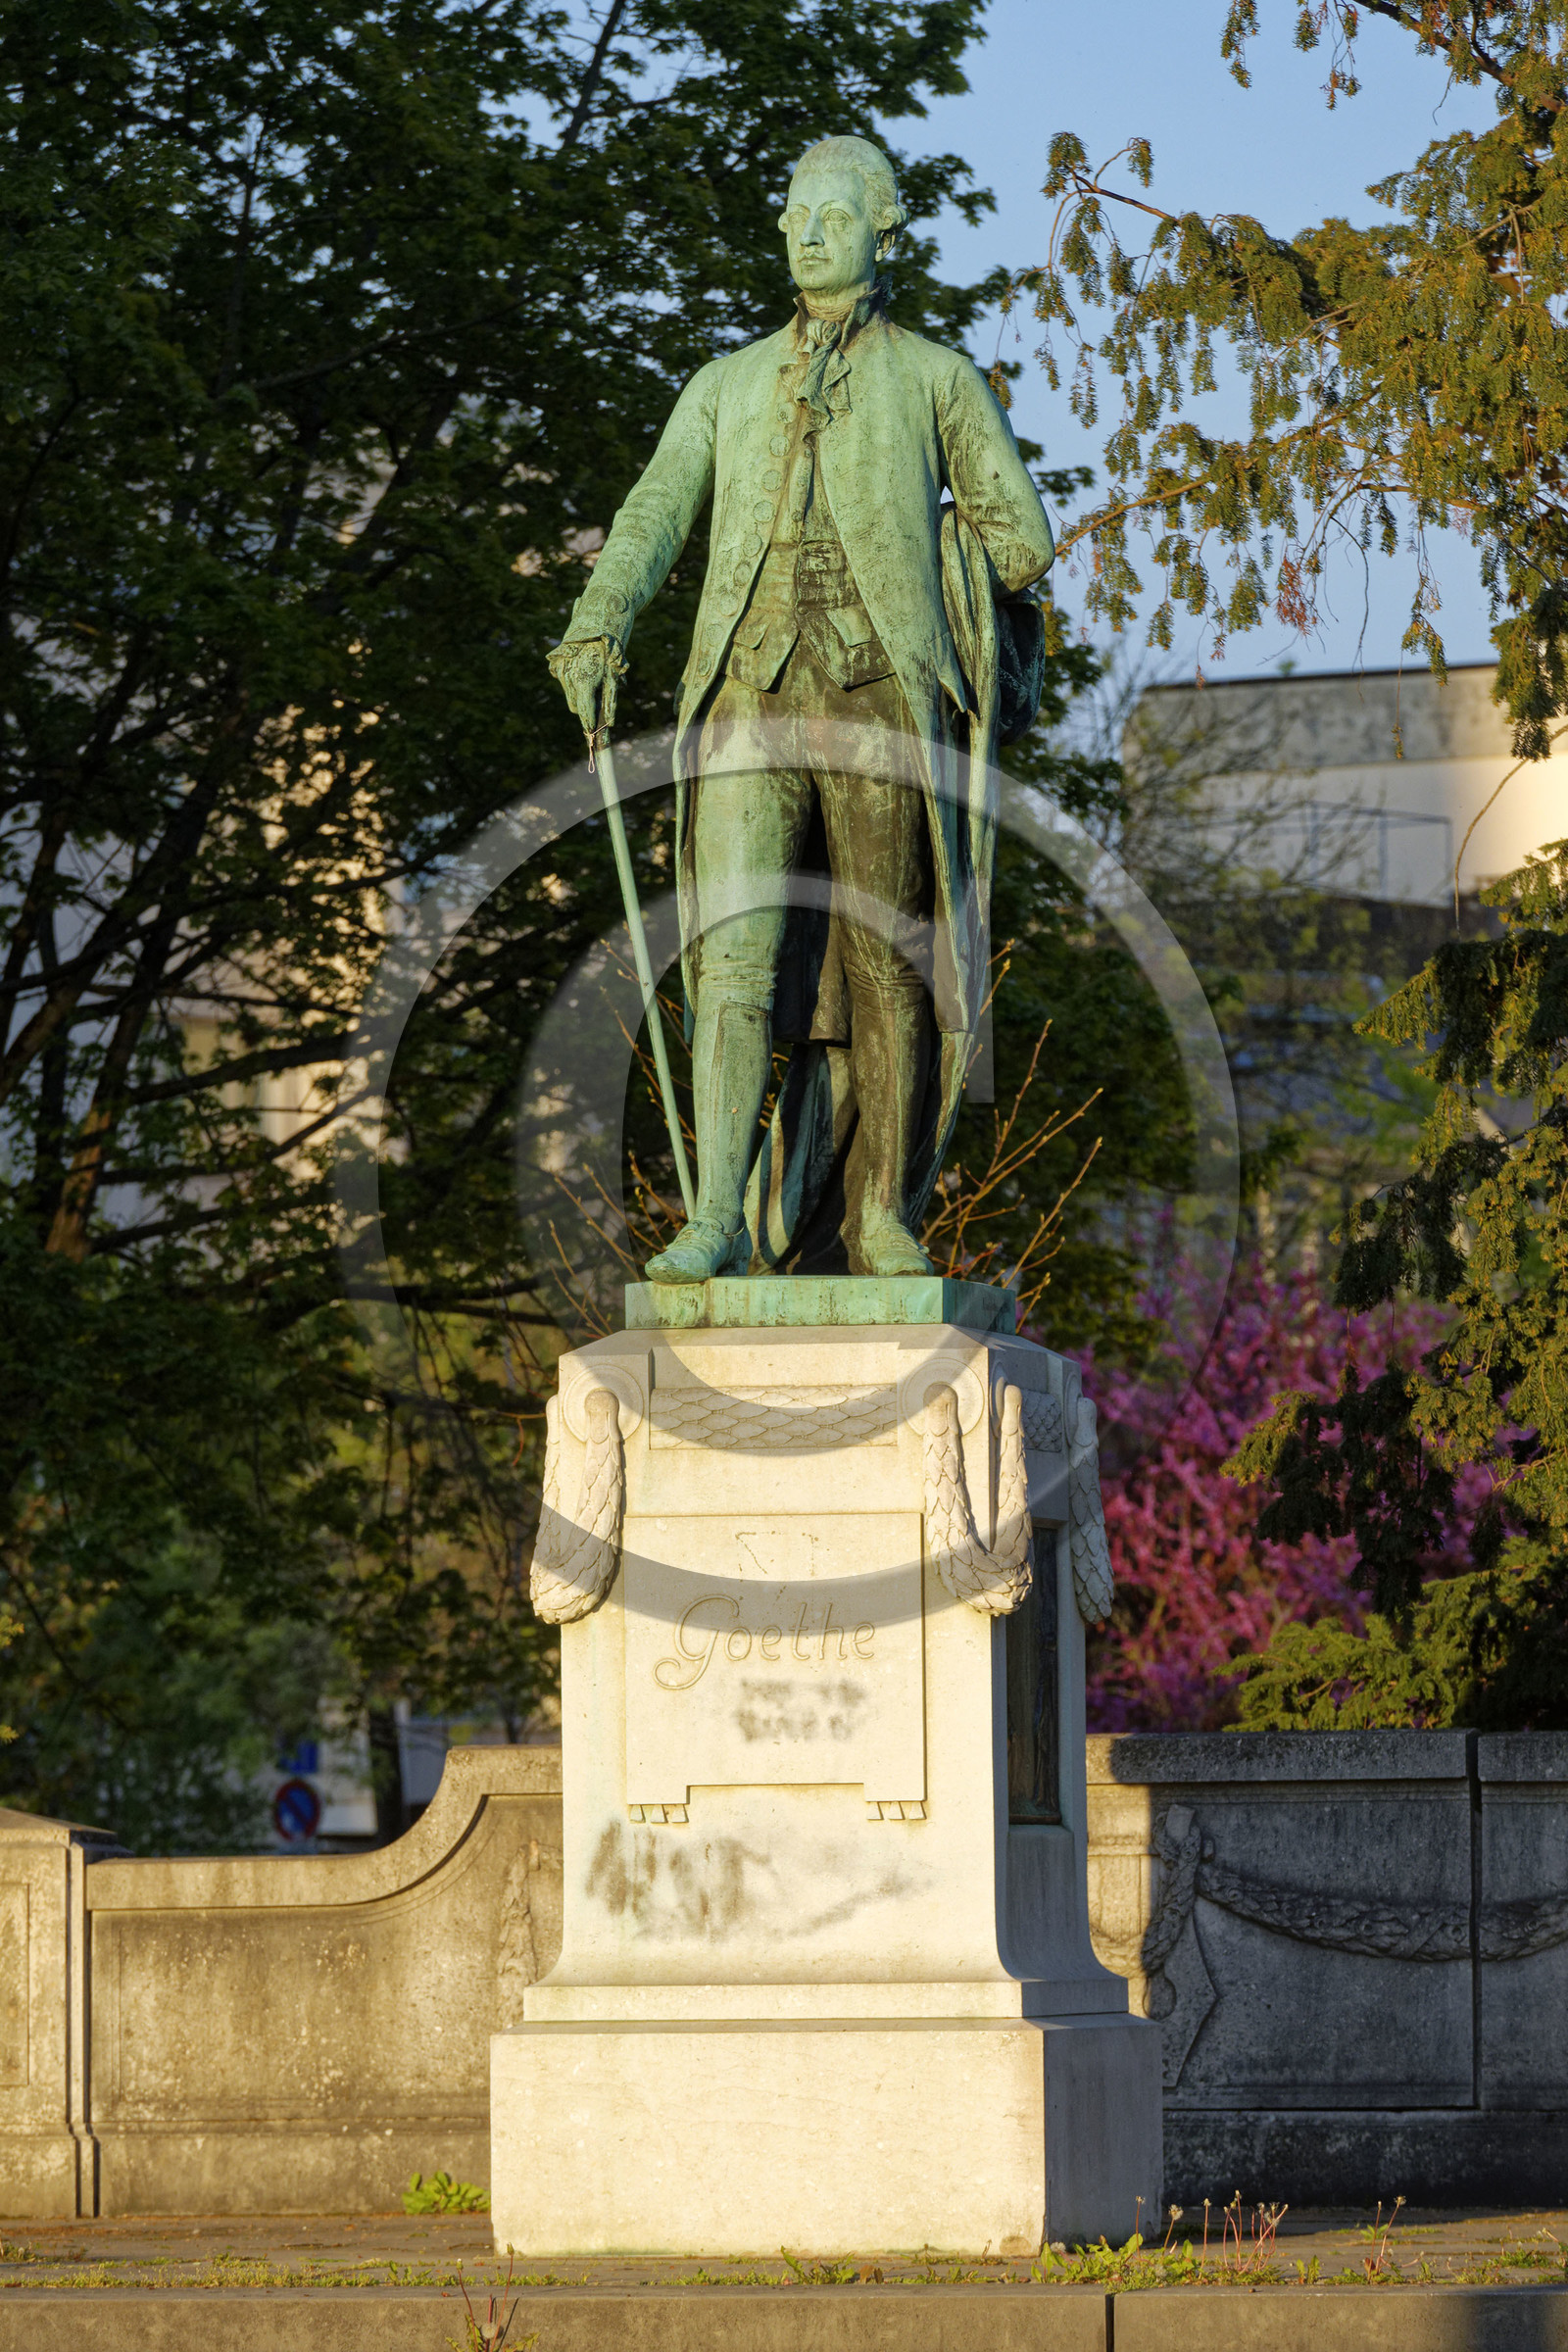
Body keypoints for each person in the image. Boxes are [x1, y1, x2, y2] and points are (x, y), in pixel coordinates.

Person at [549, 133, 1054, 1283]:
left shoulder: (935, 378)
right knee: (727, 961)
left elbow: (1020, 539)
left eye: (833, 212)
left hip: (880, 695)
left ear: (886, 233)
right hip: (745, 693)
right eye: (794, 211)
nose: (808, 228)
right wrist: (598, 621)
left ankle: (883, 1216)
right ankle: (712, 1217)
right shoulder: (721, 387)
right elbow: (651, 514)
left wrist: (938, 565)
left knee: (887, 962)